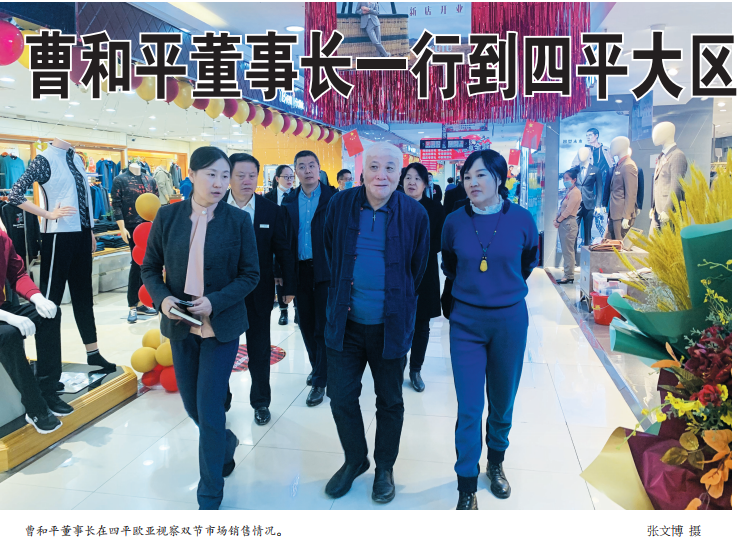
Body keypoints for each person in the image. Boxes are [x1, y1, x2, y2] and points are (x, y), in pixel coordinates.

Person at [141, 146, 260, 510]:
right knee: (193, 406)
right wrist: (163, 300)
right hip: (181, 326)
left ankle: (209, 494)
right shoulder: (168, 216)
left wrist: (216, 301)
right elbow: (149, 267)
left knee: (209, 408)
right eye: (211, 175)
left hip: (220, 327)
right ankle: (225, 443)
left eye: (225, 175)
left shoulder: (238, 220)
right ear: (191, 175)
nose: (220, 183)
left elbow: (251, 275)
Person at [323, 142, 430, 503]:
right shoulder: (340, 204)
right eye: (373, 166)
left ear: (399, 174)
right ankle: (355, 459)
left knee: (390, 401)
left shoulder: (414, 214)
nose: (380, 175)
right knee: (340, 397)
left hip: (390, 325)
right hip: (346, 322)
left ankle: (385, 467)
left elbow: (416, 269)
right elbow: (330, 249)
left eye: (389, 168)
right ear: (362, 171)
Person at [441, 149, 538, 510]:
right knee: (469, 407)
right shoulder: (453, 222)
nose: (472, 183)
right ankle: (466, 483)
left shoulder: (522, 219)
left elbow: (528, 261)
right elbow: (450, 265)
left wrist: (502, 288)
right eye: (467, 176)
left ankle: (495, 462)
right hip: (466, 321)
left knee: (502, 401)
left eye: (481, 175)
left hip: (509, 321)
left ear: (500, 178)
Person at [8, 138, 113, 371]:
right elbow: (15, 195)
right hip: (58, 235)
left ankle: (93, 353)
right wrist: (47, 214)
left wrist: (90, 231)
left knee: (83, 296)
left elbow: (84, 198)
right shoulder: (44, 159)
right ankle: (49, 366)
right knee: (50, 301)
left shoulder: (76, 158)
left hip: (82, 234)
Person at [224, 153, 295, 425]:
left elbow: (283, 250)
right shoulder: (216, 207)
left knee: (259, 348)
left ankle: (261, 401)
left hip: (258, 290)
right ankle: (221, 400)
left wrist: (288, 287)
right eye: (240, 175)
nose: (246, 180)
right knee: (222, 349)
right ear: (229, 176)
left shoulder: (270, 210)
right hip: (222, 294)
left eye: (251, 175)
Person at [0, 230, 71, 434]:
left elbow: (18, 274)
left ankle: (48, 389)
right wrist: (8, 317)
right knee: (8, 334)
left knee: (49, 315)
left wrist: (37, 298)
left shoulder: (2, 239)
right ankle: (34, 406)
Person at [282, 151, 336, 406]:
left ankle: (320, 380)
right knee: (305, 323)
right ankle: (318, 368)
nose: (307, 170)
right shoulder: (289, 201)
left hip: (326, 270)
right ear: (296, 172)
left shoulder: (333, 198)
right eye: (301, 166)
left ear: (319, 168)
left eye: (312, 165)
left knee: (323, 326)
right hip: (300, 270)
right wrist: (282, 275)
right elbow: (283, 241)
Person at [401, 163, 442, 393]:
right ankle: (397, 365)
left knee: (421, 323)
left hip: (425, 271)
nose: (412, 182)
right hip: (397, 271)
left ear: (425, 183)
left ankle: (415, 369)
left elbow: (439, 241)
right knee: (397, 321)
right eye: (408, 177)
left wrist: (417, 252)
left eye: (417, 178)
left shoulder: (435, 209)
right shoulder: (393, 205)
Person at [111, 161, 159, 323]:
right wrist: (122, 227)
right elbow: (116, 205)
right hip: (132, 228)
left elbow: (156, 202)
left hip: (149, 227)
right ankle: (132, 304)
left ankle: (142, 302)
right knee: (136, 264)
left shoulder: (150, 180)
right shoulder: (120, 180)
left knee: (148, 264)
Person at [264, 165, 297, 326]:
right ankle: (283, 311)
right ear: (277, 178)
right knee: (278, 277)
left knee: (294, 273)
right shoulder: (267, 198)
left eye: (292, 177)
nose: (290, 180)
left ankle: (297, 309)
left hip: (293, 241)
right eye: (286, 177)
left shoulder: (297, 196)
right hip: (273, 242)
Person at [555, 168, 582, 285]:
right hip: (564, 223)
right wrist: (557, 218)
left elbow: (568, 210)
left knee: (568, 251)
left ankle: (569, 275)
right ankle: (567, 274)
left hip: (569, 223)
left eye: (567, 178)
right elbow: (562, 208)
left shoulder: (575, 192)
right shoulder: (569, 191)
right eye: (564, 178)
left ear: (574, 180)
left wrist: (558, 220)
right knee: (566, 250)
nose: (564, 181)